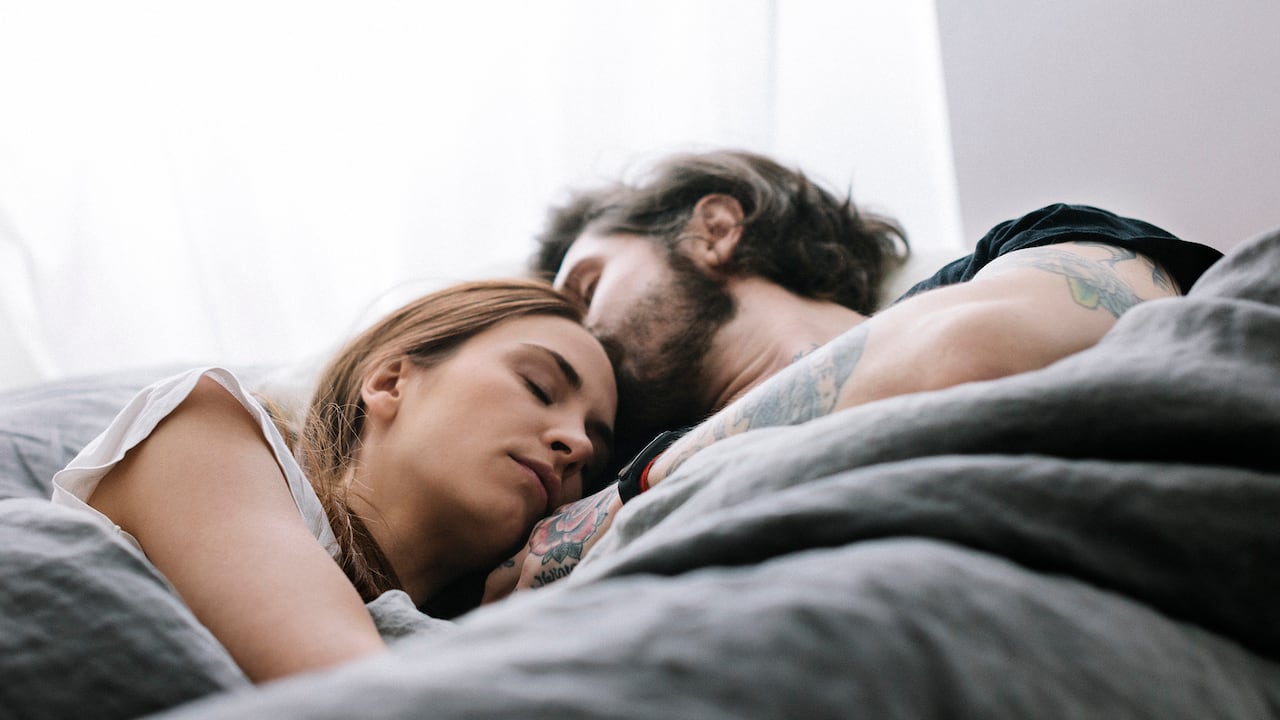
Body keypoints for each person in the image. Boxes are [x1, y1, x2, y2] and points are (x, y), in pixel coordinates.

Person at [481, 149, 1223, 601]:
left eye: (585, 288)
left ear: (713, 230)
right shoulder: (589, 482)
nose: (580, 342)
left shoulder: (1022, 250)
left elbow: (974, 356)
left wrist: (633, 492)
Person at [50, 280, 617, 683]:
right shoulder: (203, 425)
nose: (579, 445)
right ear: (391, 381)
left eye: (595, 455)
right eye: (539, 387)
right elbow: (355, 698)